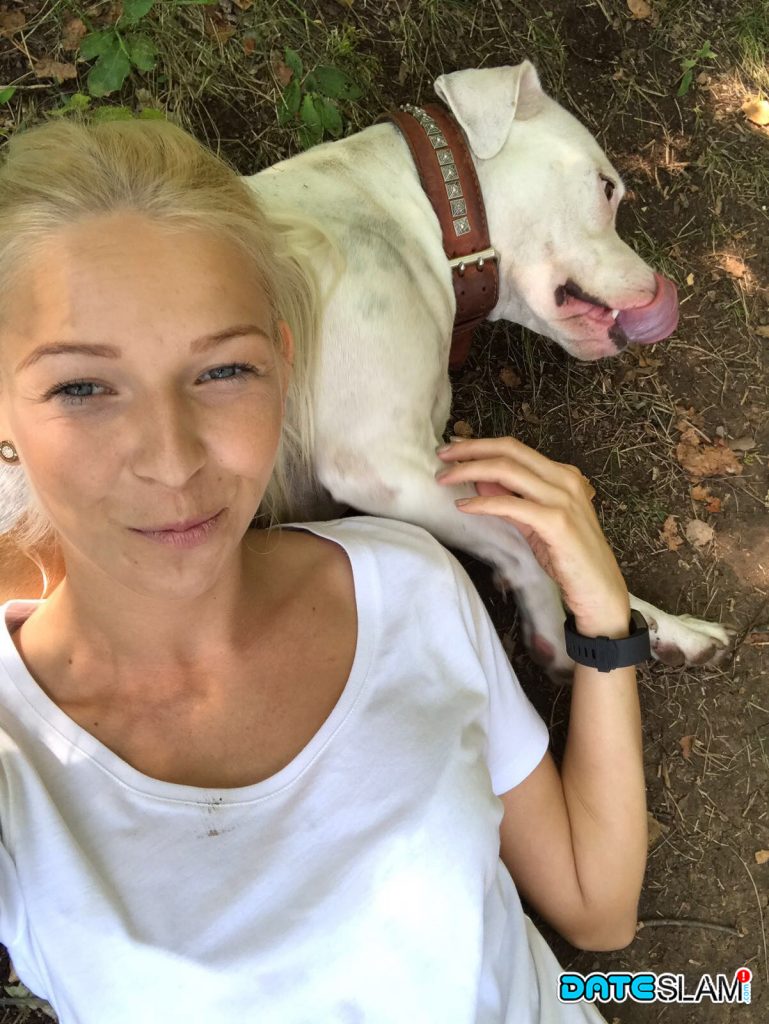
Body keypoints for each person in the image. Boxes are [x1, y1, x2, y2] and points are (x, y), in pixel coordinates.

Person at [0, 116, 647, 1024]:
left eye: (223, 371)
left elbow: (596, 910)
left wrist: (605, 627)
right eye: (81, 387)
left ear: (283, 365)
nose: (172, 460)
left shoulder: (406, 585)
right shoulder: (17, 769)